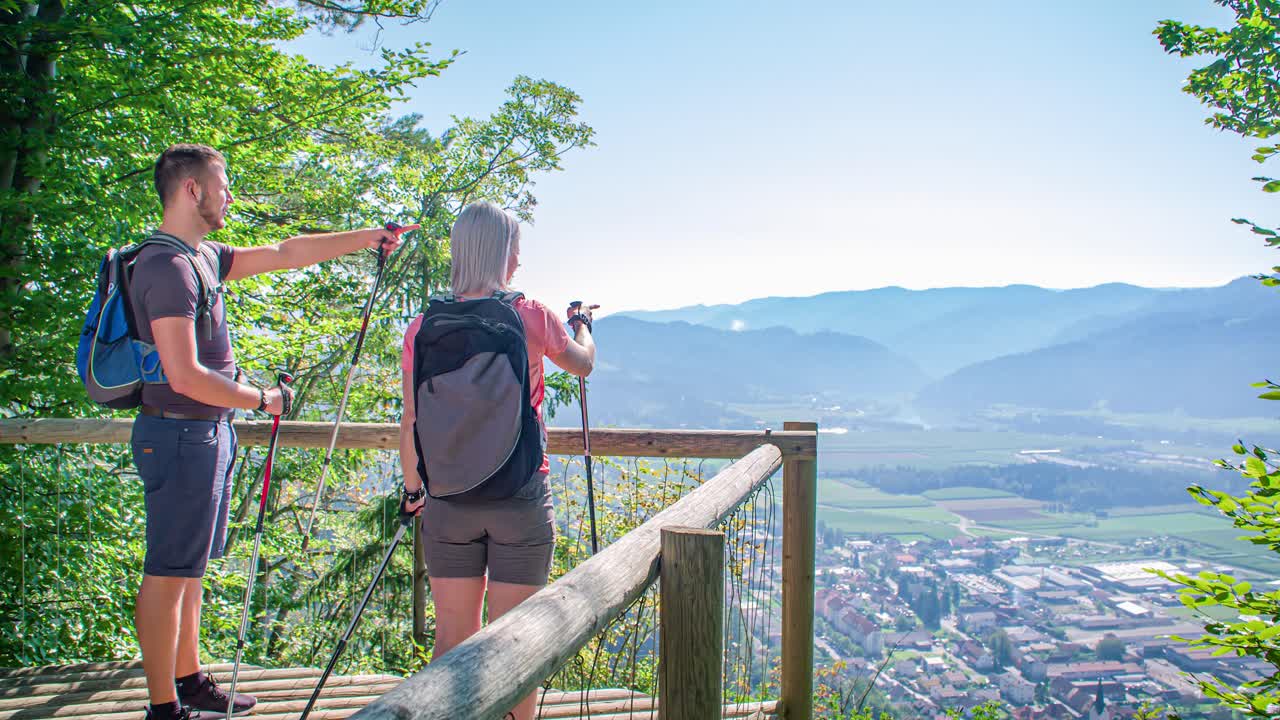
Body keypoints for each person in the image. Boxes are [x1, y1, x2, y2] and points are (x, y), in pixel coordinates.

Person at [130, 143, 406, 720]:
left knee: (191, 566)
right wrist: (261, 399)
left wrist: (366, 236)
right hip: (179, 434)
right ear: (191, 190)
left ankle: (188, 680)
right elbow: (183, 374)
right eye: (222, 185)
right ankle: (164, 708)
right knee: (166, 571)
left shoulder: (201, 256)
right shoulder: (168, 267)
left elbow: (286, 253)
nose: (229, 195)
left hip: (204, 435)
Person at [398, 201, 595, 720]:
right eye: (515, 251)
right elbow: (583, 366)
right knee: (516, 648)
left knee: (452, 644)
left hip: (446, 501)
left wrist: (414, 490)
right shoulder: (530, 315)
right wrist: (581, 324)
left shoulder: (423, 326)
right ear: (502, 252)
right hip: (519, 497)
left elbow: (411, 421)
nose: (518, 264)